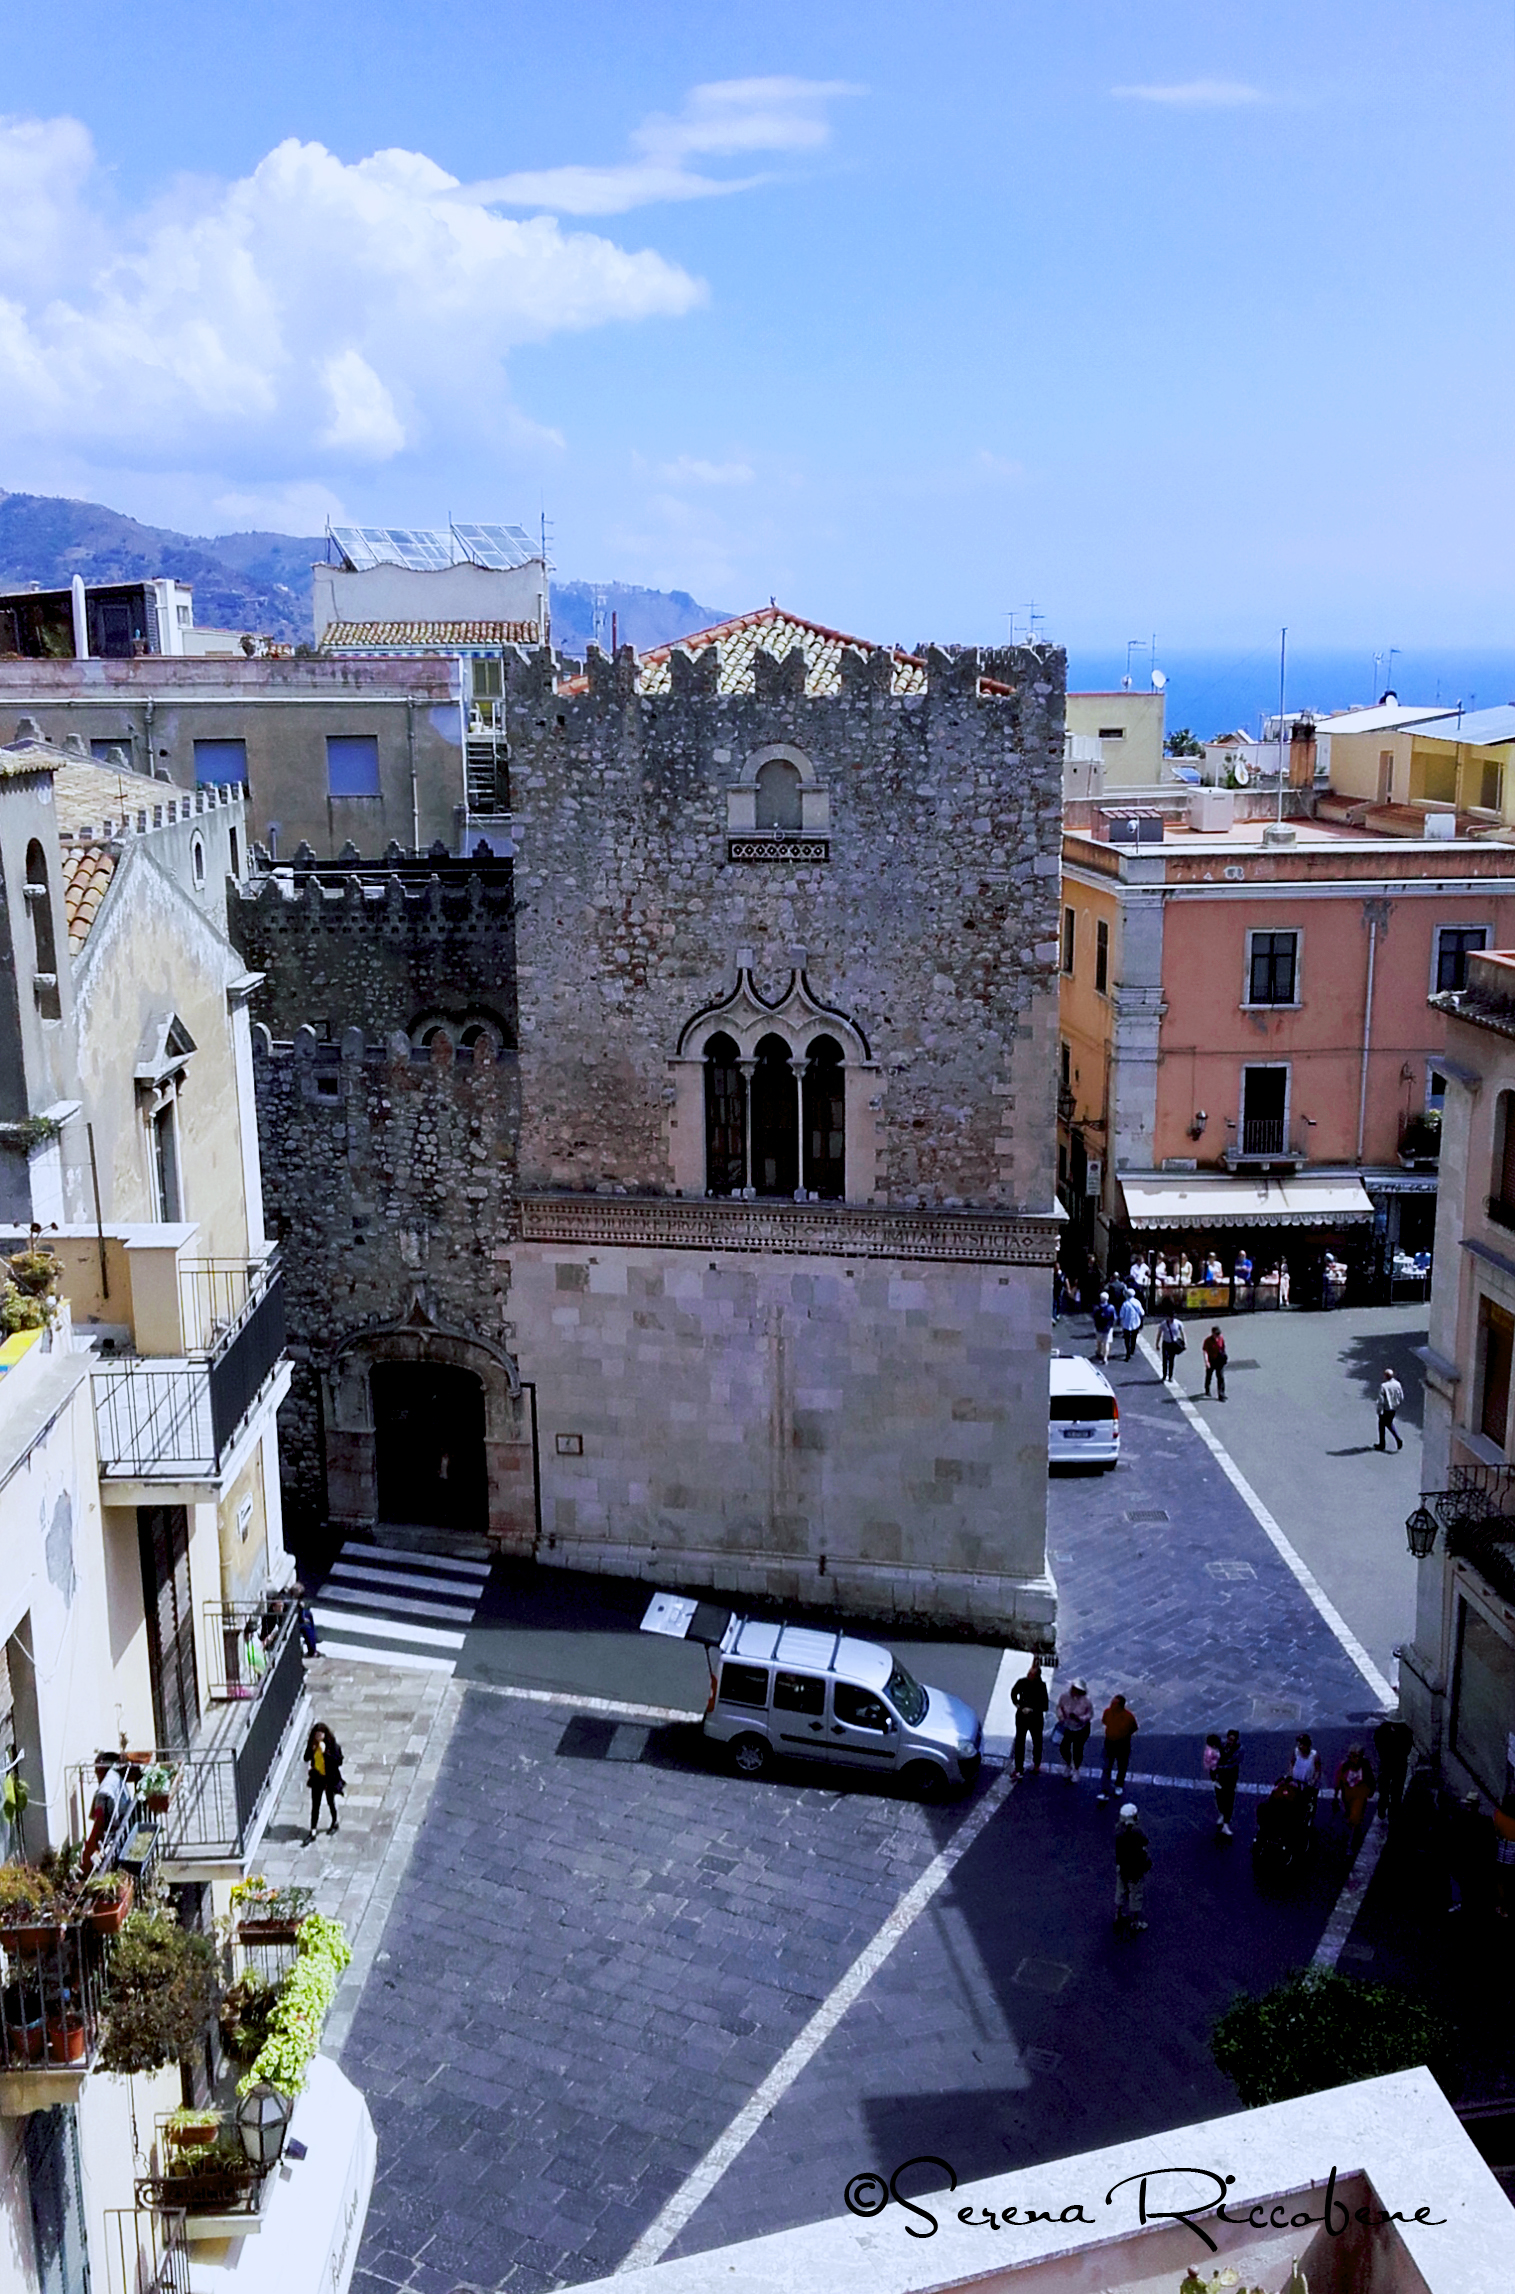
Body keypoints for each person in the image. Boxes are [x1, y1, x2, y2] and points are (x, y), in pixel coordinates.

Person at [1114, 1803, 1151, 1932]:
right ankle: (1135, 1921)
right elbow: (1142, 1850)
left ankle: (1118, 1913)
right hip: (1135, 1871)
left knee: (1121, 1890)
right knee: (1135, 1894)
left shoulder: (1118, 1832)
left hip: (1122, 1868)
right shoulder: (1137, 1833)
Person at [305, 1720, 345, 1842]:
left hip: (329, 1778)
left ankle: (335, 1822)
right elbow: (306, 1758)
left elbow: (338, 1761)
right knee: (315, 1805)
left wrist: (325, 1753)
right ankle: (313, 1830)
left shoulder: (332, 1746)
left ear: (325, 1734)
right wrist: (311, 1750)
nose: (318, 1737)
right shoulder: (313, 1745)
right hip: (317, 1778)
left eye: (320, 1735)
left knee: (330, 1801)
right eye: (316, 1735)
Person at [1334, 1743, 1376, 1853]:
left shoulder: (1365, 1766)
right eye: (1353, 1756)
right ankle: (1353, 1832)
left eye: (1357, 1756)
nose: (1355, 1759)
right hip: (1347, 1795)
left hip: (1360, 1794)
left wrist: (1370, 1791)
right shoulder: (1344, 1766)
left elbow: (1371, 1779)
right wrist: (1335, 1796)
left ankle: (1351, 1843)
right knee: (1349, 1816)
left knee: (1355, 1818)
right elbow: (1338, 1781)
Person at [1011, 1656, 1049, 1778]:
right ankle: (1018, 1767)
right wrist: (1018, 1705)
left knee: (1037, 1742)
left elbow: (1045, 1705)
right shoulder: (1022, 1682)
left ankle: (1036, 1763)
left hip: (1035, 1719)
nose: (1029, 1675)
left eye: (1031, 1674)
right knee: (1019, 1742)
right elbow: (1013, 1693)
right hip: (1022, 1717)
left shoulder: (1041, 1687)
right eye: (1029, 1673)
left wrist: (1032, 1709)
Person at [1097, 1693, 1139, 1801]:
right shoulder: (1107, 1712)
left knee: (1122, 1766)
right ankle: (1104, 1789)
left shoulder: (1129, 1717)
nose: (1111, 1705)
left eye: (1114, 1704)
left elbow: (1133, 1728)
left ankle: (1119, 1785)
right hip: (1109, 1743)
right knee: (1107, 1767)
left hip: (1122, 1744)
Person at [1372, 1716, 1413, 1820]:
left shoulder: (1406, 1732)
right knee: (1384, 1788)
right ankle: (1382, 1809)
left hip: (1399, 1764)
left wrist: (1400, 1756)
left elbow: (1408, 1747)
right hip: (1386, 1763)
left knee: (1397, 1789)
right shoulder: (1382, 1730)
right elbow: (1377, 1741)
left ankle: (1394, 1811)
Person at [1056, 1677, 1094, 1783]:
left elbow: (1090, 1714)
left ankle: (1076, 1769)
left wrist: (1079, 1718)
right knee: (1064, 1748)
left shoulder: (1086, 1701)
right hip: (1068, 1726)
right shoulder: (1064, 1697)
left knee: (1077, 1750)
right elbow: (1059, 1707)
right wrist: (1061, 1717)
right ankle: (1068, 1764)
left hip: (1080, 1728)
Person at [1213, 1728, 1242, 1837]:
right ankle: (1222, 1813)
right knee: (1219, 1796)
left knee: (1229, 1799)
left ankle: (1226, 1822)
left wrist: (1221, 1766)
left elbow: (1235, 1763)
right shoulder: (1222, 1746)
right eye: (1229, 1739)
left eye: (1232, 1740)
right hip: (1220, 1777)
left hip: (1230, 1777)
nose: (1230, 1741)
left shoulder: (1239, 1749)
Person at [1289, 1733, 1323, 1821]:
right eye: (1299, 1744)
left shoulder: (1314, 1755)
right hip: (1296, 1783)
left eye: (1302, 1744)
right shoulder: (1296, 1752)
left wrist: (1313, 1781)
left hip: (1308, 1785)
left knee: (1306, 1804)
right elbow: (1292, 1763)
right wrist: (1291, 1775)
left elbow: (1318, 1770)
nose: (1300, 1746)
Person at [1493, 1792, 1515, 1920]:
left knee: (1501, 1881)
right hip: (1513, 1856)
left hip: (1501, 1854)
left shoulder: (1499, 1815)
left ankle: (1502, 1907)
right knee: (1511, 1882)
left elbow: (1496, 1830)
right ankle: (1509, 1906)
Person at [1376, 1367, 1406, 1452]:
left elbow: (1381, 1399)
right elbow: (1401, 1396)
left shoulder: (1384, 1386)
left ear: (1386, 1376)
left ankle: (1385, 1443)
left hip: (1387, 1408)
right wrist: (1398, 1403)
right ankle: (1388, 1441)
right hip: (1394, 1407)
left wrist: (1379, 1410)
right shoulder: (1398, 1384)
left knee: (1383, 1424)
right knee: (1387, 1423)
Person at [1158, 1310, 1186, 1384]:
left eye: (1173, 1317)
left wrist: (1184, 1341)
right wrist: (1157, 1343)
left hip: (1173, 1344)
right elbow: (1159, 1333)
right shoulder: (1163, 1324)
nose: (1172, 1319)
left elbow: (1182, 1332)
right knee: (1165, 1359)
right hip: (1166, 1343)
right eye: (1170, 1317)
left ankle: (1170, 1376)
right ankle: (1164, 1375)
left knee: (1171, 1360)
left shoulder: (1178, 1323)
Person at [1202, 1325, 1228, 1400]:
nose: (1218, 1335)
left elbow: (1223, 1348)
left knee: (1221, 1377)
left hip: (1219, 1360)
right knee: (1209, 1376)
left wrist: (1224, 1357)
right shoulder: (1207, 1341)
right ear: (1212, 1333)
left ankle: (1221, 1394)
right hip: (1211, 1360)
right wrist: (1206, 1362)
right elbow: (1205, 1351)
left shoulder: (1221, 1338)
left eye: (1218, 1334)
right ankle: (1207, 1388)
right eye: (1216, 1334)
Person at [1118, 1291, 1144, 1361]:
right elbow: (1141, 1313)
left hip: (1126, 1324)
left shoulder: (1125, 1304)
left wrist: (1120, 1322)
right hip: (1136, 1323)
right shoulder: (1137, 1302)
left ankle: (1128, 1352)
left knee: (1127, 1339)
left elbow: (1121, 1315)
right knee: (1134, 1337)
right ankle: (1132, 1349)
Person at [1091, 1291, 1116, 1364]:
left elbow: (1093, 1316)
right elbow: (1114, 1317)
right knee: (1106, 1343)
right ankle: (1105, 1358)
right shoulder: (1111, 1307)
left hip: (1099, 1327)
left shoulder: (1096, 1307)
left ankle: (1098, 1352)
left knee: (1099, 1341)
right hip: (1108, 1328)